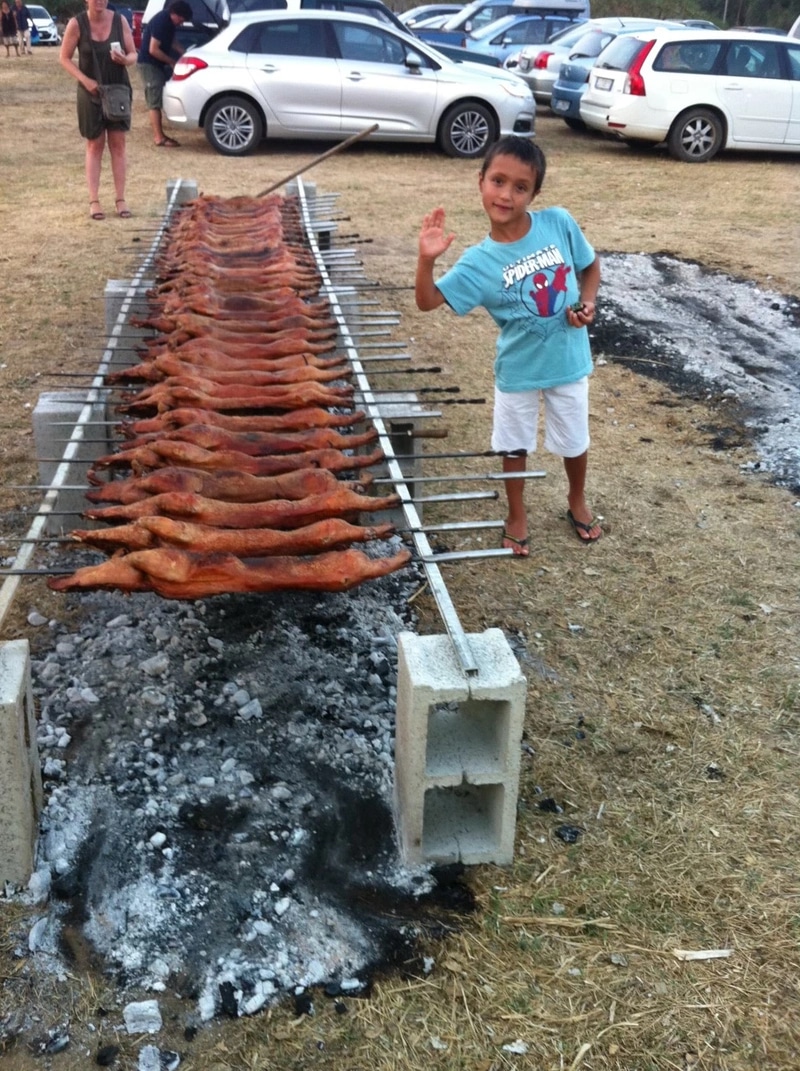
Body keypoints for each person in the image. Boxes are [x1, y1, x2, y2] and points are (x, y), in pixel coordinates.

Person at [416, 136, 602, 556]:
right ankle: (516, 513)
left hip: (568, 361)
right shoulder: (477, 262)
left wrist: (586, 303)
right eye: (498, 181)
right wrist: (426, 260)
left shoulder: (558, 223)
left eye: (520, 187)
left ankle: (576, 499)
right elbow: (427, 302)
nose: (506, 195)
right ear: (481, 181)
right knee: (513, 444)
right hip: (517, 369)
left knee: (574, 440)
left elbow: (589, 267)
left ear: (534, 193)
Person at [59, 0, 137, 220]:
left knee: (118, 144)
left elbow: (134, 54)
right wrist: (85, 80)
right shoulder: (77, 24)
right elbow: (64, 58)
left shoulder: (120, 21)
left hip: (117, 91)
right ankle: (94, 200)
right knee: (94, 144)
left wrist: (125, 59)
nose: (100, 1)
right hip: (89, 92)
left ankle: (120, 199)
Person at [137, 0, 191, 147]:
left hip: (158, 65)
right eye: (181, 19)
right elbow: (153, 49)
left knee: (160, 96)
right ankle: (158, 137)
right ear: (174, 13)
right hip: (148, 64)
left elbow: (172, 41)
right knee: (154, 101)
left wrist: (185, 53)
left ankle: (160, 132)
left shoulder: (170, 23)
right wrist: (172, 62)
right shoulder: (162, 20)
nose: (181, 22)